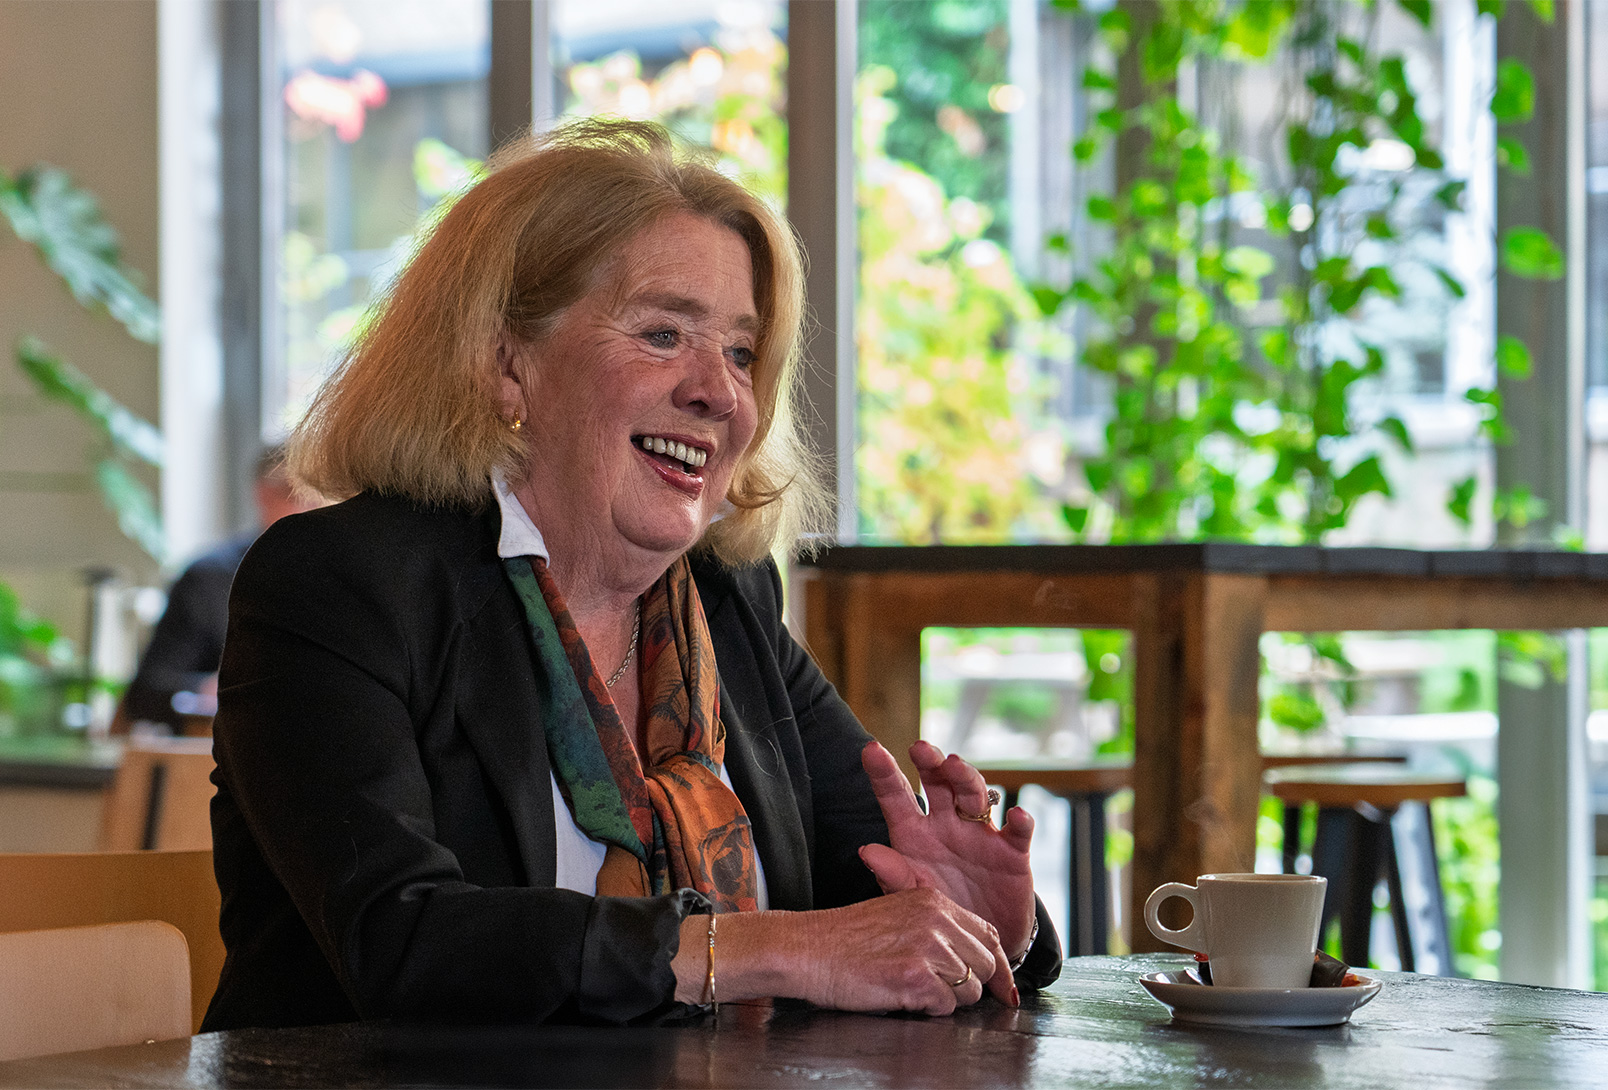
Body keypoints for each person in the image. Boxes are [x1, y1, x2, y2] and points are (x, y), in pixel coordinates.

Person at [203, 119, 1062, 1032]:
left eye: (740, 352)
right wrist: (766, 946)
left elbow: (882, 903)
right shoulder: (340, 581)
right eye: (663, 334)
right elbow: (403, 941)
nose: (721, 393)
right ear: (506, 365)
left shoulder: (728, 601)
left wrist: (978, 922)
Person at [116, 446, 317, 733]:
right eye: (295, 495)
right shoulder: (208, 578)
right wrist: (213, 687)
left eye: (325, 499)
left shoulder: (357, 579)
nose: (311, 509)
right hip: (223, 755)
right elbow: (148, 693)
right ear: (261, 494)